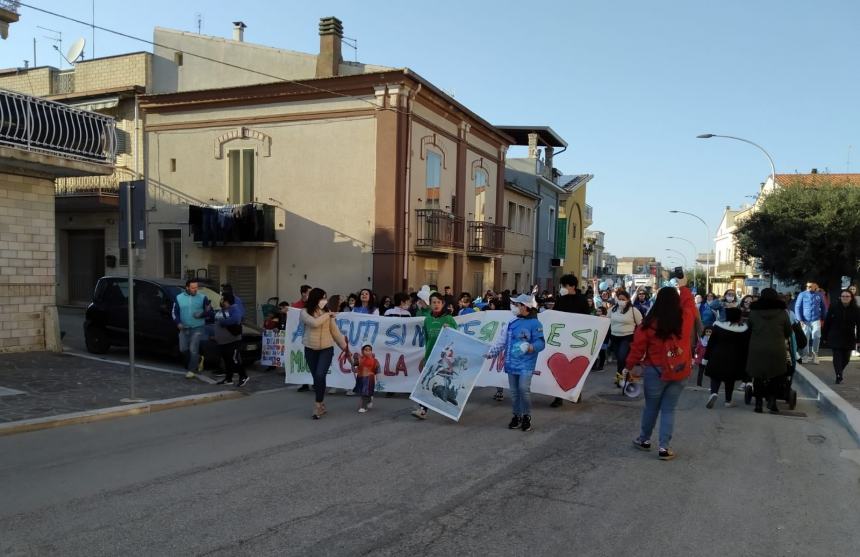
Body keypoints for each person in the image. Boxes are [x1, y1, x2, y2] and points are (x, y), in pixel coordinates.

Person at [625, 276, 697, 460]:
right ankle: (664, 447)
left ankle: (644, 439)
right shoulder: (686, 318)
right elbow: (689, 303)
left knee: (651, 407)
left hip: (654, 372)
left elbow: (637, 347)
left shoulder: (648, 324)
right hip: (680, 371)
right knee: (669, 409)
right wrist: (683, 286)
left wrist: (629, 366)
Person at [486, 293, 546, 432]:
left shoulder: (535, 323)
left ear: (525, 307)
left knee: (523, 389)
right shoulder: (511, 322)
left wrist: (531, 347)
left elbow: (541, 343)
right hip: (511, 363)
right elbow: (502, 341)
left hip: (526, 364)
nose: (515, 307)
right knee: (514, 392)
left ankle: (526, 416)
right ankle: (516, 416)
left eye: (518, 305)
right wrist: (491, 353)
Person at [301, 288, 350, 419]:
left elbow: (335, 332)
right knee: (316, 379)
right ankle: (321, 402)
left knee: (320, 374)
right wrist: (327, 315)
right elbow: (314, 323)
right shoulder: (305, 312)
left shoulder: (327, 313)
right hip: (310, 349)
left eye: (325, 298)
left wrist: (345, 348)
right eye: (322, 297)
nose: (324, 300)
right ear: (315, 298)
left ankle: (317, 405)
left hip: (326, 349)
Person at [412, 292, 457, 420]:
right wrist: (426, 356)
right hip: (431, 357)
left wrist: (450, 329)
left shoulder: (448, 319)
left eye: (438, 302)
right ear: (430, 304)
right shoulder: (427, 320)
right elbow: (427, 339)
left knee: (446, 383)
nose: (436, 305)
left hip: (445, 359)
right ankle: (422, 410)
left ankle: (452, 410)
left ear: (443, 304)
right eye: (433, 302)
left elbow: (457, 337)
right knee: (426, 382)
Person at [746, 288, 792, 414]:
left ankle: (758, 404)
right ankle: (772, 402)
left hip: (757, 349)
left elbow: (749, 329)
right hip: (776, 349)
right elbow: (788, 331)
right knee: (776, 376)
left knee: (758, 377)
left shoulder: (754, 312)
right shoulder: (782, 313)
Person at [549, 273, 591, 407]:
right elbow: (555, 315)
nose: (562, 288)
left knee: (577, 367)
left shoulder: (582, 300)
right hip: (562, 337)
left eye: (564, 285)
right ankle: (558, 396)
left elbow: (588, 319)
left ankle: (576, 392)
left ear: (572, 286)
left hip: (577, 340)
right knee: (559, 365)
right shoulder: (561, 299)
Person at [703, 307, 750, 408]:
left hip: (717, 356)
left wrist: (705, 358)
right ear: (739, 317)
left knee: (715, 376)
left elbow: (710, 344)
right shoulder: (744, 330)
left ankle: (714, 393)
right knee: (730, 380)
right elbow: (745, 347)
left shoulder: (718, 327)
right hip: (734, 359)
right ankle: (728, 401)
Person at [172, 278, 212, 379]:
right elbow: (174, 312)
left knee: (193, 349)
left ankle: (191, 370)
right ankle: (198, 359)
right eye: (193, 288)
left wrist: (202, 314)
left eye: (196, 287)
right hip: (183, 328)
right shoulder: (179, 297)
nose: (195, 289)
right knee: (183, 349)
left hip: (197, 328)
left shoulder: (203, 298)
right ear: (187, 288)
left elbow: (209, 312)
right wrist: (178, 323)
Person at [823, 289, 860, 384]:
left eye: (847, 296)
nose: (845, 298)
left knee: (846, 358)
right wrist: (824, 336)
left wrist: (858, 339)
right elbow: (827, 322)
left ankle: (839, 371)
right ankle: (839, 374)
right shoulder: (834, 307)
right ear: (840, 297)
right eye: (843, 296)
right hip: (835, 335)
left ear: (851, 298)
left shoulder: (856, 310)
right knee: (837, 356)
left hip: (849, 337)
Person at [213, 294, 249, 387]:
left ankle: (243, 376)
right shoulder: (223, 310)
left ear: (226, 301)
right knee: (227, 360)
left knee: (235, 359)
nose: (221, 301)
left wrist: (223, 322)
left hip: (232, 341)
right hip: (223, 342)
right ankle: (228, 379)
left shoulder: (234, 309)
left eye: (222, 300)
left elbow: (236, 319)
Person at [610, 290, 643, 387]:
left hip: (627, 337)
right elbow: (604, 319)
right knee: (620, 360)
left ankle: (621, 379)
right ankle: (622, 377)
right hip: (614, 337)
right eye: (619, 299)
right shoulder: (613, 309)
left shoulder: (633, 310)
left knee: (622, 357)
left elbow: (641, 324)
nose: (620, 301)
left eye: (623, 299)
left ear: (628, 300)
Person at [795, 281, 826, 364]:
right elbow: (797, 307)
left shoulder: (819, 295)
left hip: (816, 319)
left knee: (817, 336)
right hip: (805, 320)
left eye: (810, 286)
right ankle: (805, 355)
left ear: (815, 286)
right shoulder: (802, 294)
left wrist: (823, 317)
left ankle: (815, 355)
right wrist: (800, 319)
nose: (808, 288)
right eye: (807, 286)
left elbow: (823, 307)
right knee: (805, 337)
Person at [352, 345, 381, 413]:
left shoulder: (375, 361)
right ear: (362, 351)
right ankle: (369, 400)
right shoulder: (360, 360)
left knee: (365, 391)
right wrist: (354, 362)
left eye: (369, 350)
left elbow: (378, 371)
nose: (368, 352)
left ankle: (363, 407)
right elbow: (354, 367)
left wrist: (378, 379)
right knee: (363, 392)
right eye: (366, 350)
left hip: (369, 379)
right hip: (361, 378)